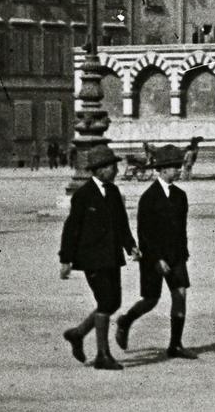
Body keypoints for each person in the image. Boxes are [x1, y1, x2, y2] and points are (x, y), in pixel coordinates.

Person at [59, 143, 138, 371]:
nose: (115, 170)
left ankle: (78, 333)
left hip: (112, 255)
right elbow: (71, 228)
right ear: (100, 169)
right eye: (112, 166)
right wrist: (66, 259)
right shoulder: (83, 195)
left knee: (114, 302)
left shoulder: (113, 192)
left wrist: (131, 246)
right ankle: (103, 354)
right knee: (105, 302)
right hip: (91, 257)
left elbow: (122, 224)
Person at [116, 145, 195, 358]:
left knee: (180, 295)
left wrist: (183, 252)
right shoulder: (149, 197)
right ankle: (125, 321)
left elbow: (182, 228)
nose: (178, 170)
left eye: (178, 166)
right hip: (154, 257)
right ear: (162, 170)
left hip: (176, 255)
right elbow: (144, 234)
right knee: (151, 300)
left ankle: (175, 345)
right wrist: (157, 259)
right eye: (174, 167)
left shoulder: (181, 196)